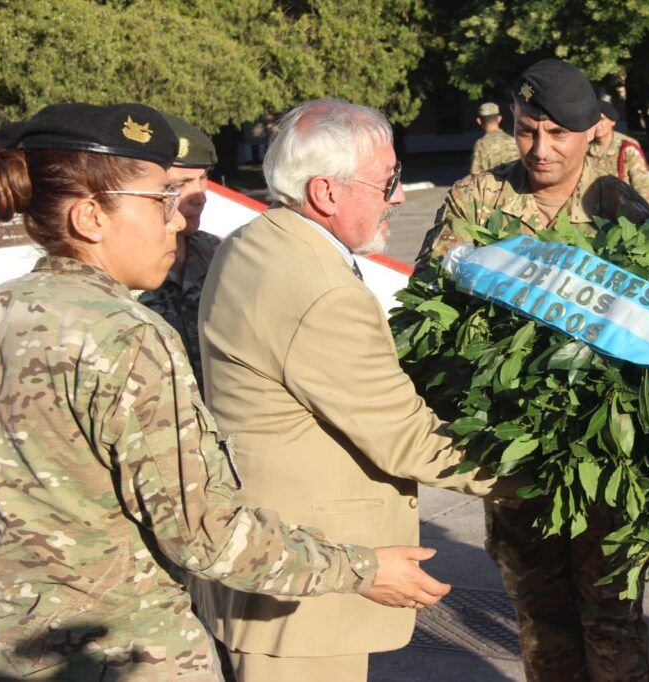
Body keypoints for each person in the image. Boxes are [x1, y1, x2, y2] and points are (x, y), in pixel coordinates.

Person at [0, 103, 446, 680]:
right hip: (125, 652)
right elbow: (207, 535)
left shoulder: (3, 308)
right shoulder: (125, 337)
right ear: (90, 218)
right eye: (159, 201)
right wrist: (364, 570)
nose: (178, 221)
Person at [192, 98, 524, 681]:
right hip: (304, 589)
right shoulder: (320, 290)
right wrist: (545, 477)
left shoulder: (255, 241)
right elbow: (407, 440)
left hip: (276, 560)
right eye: (387, 180)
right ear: (325, 192)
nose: (398, 196)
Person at [418, 58, 649, 682]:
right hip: (515, 455)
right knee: (540, 618)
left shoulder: (618, 204)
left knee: (613, 617)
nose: (540, 149)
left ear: (590, 134)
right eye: (527, 130)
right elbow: (435, 304)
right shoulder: (479, 196)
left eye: (557, 134)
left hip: (605, 453)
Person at [138, 112, 220, 394]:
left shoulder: (220, 254)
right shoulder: (126, 268)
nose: (200, 195)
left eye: (203, 178)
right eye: (182, 183)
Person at [587, 95, 649, 209]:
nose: (597, 125)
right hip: (592, 212)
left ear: (613, 121)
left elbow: (643, 188)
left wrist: (647, 220)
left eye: (602, 119)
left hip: (623, 213)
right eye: (593, 120)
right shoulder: (585, 147)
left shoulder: (627, 148)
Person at [470, 101, 519, 174]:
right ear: (499, 118)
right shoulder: (514, 140)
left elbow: (475, 174)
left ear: (479, 121)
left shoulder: (481, 144)